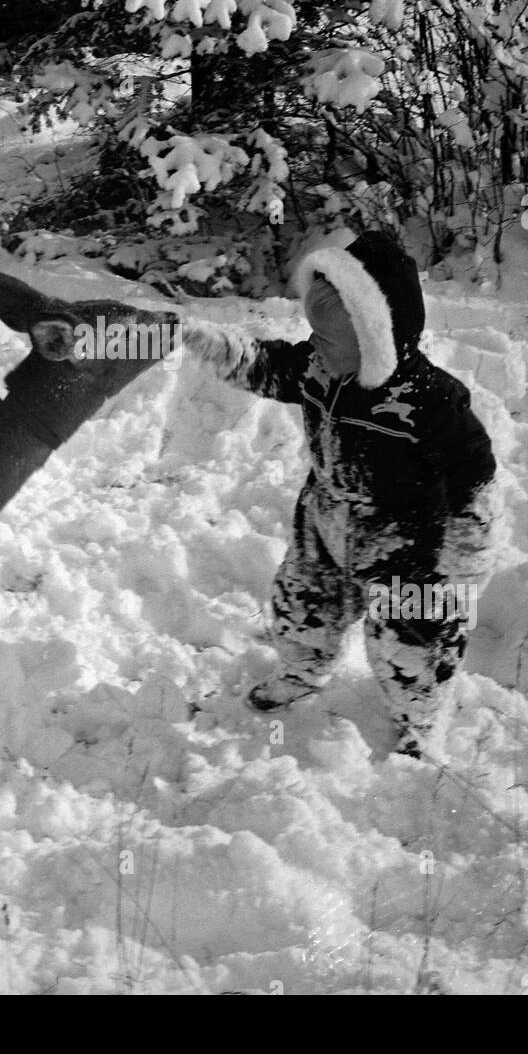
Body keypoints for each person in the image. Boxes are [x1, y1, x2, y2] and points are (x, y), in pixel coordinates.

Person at [183, 228, 498, 757]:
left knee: (412, 640)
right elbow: (260, 364)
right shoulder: (317, 368)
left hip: (403, 542)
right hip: (325, 520)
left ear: (376, 336)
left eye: (328, 339)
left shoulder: (431, 403)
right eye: (315, 335)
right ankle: (304, 669)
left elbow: (473, 482)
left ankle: (420, 720)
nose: (316, 349)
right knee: (302, 603)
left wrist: (463, 562)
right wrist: (202, 341)